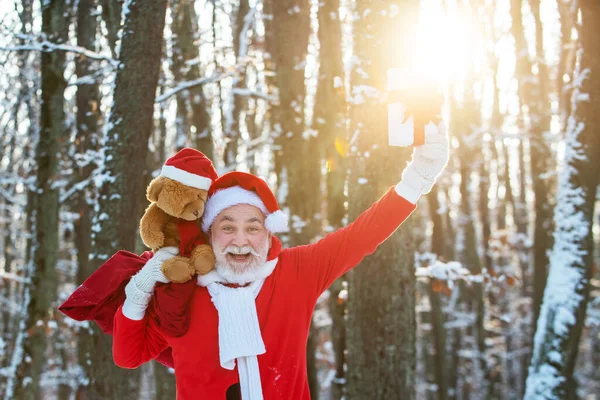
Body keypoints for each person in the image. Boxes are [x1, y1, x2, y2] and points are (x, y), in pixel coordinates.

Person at [112, 121, 449, 400]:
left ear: (269, 232)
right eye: (227, 227)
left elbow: (362, 234)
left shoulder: (295, 272)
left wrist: (419, 175)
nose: (241, 240)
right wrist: (140, 288)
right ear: (209, 233)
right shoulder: (182, 292)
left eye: (253, 227)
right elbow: (127, 356)